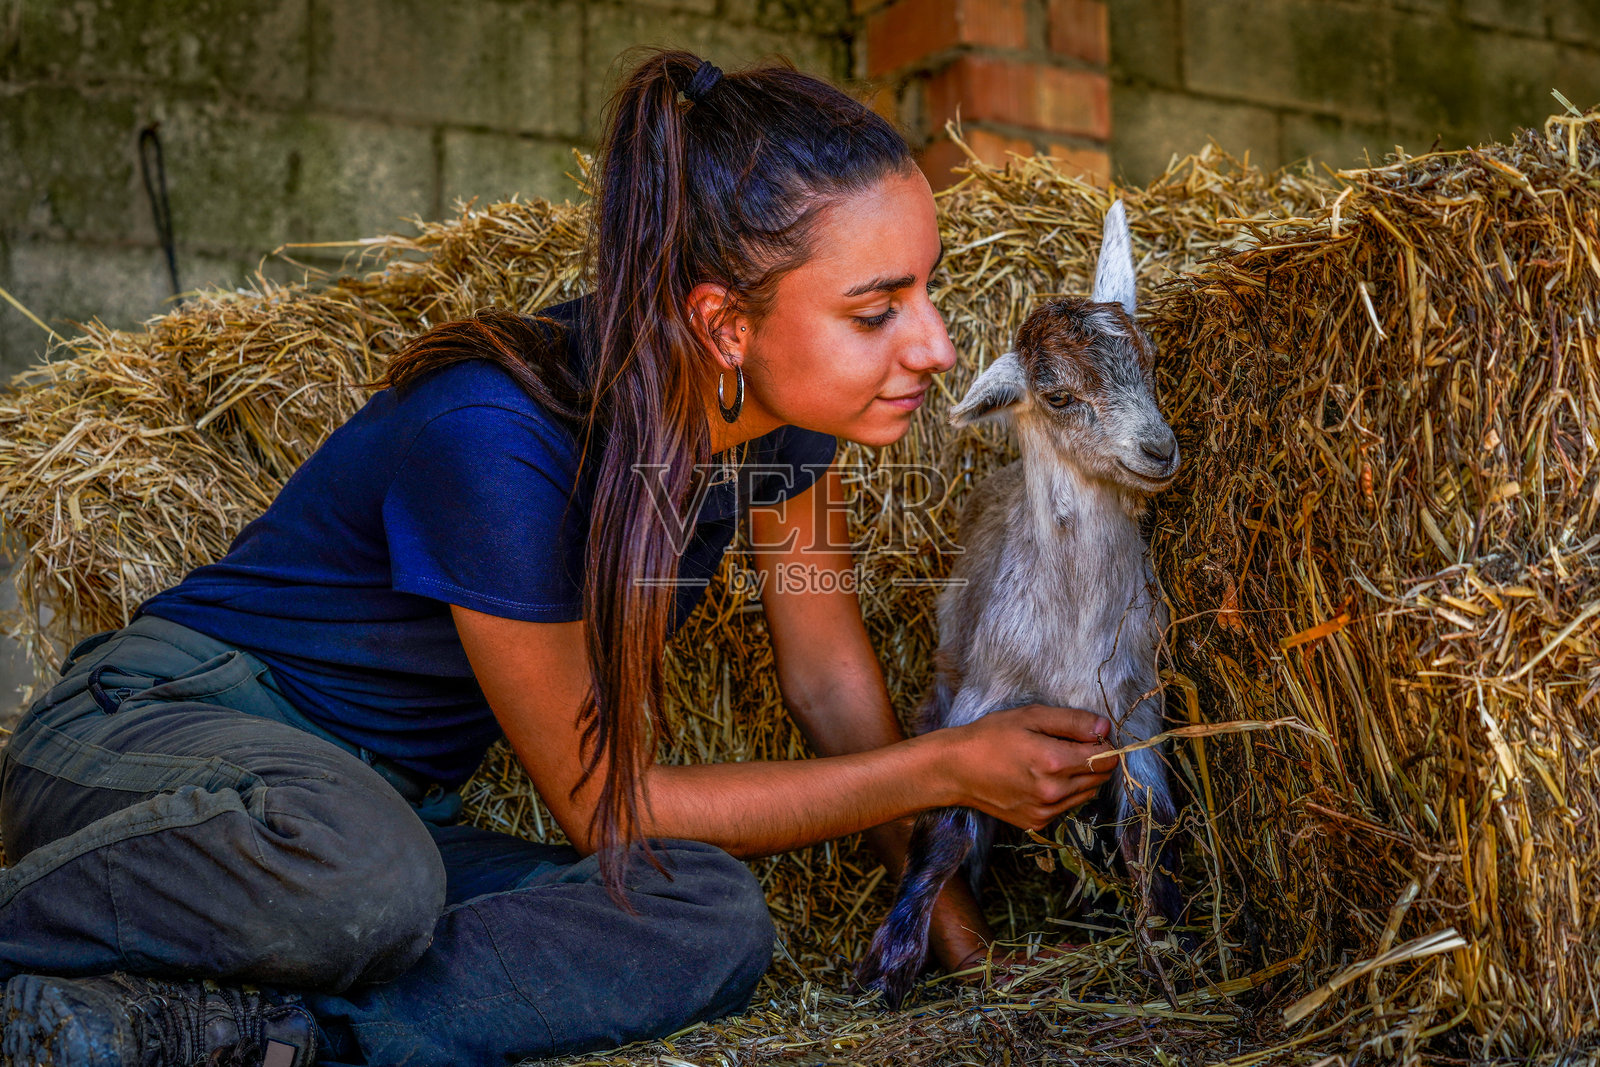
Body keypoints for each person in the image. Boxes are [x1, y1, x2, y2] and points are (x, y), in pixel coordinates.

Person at [0, 50, 1119, 1067]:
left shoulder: (783, 444)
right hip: (159, 735)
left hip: (371, 820)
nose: (937, 343)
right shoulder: (494, 442)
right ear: (725, 325)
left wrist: (958, 942)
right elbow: (609, 812)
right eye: (877, 309)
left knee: (705, 914)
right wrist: (947, 764)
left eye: (923, 289)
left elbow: (825, 679)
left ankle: (243, 1036)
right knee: (368, 877)